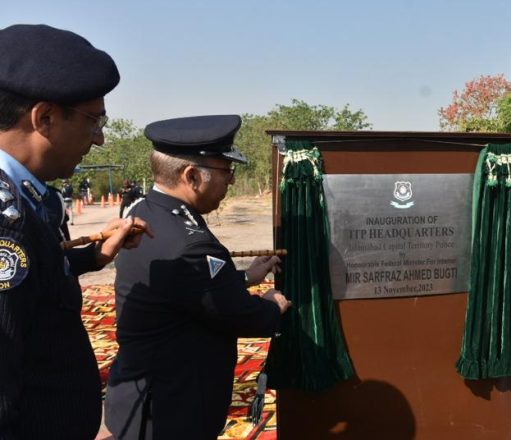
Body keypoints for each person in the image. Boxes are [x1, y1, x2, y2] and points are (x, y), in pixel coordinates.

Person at [0, 24, 150, 438]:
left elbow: (34, 287)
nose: (99, 139)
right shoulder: (6, 224)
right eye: (93, 121)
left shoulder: (27, 197)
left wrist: (93, 256)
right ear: (44, 118)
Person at [105, 115, 292, 439]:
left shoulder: (145, 211)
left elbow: (185, 287)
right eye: (226, 170)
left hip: (142, 397)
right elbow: (240, 315)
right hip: (173, 410)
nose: (231, 181)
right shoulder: (190, 242)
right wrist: (272, 305)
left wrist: (245, 277)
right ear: (191, 176)